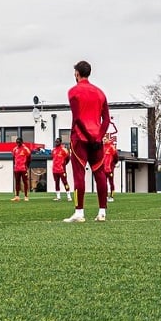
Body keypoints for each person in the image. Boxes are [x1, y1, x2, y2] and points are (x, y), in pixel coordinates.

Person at [64, 60, 111, 223]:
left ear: (77, 73)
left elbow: (77, 118)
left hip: (80, 138)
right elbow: (106, 119)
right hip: (97, 139)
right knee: (100, 174)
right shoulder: (100, 93)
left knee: (79, 175)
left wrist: (89, 136)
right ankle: (102, 212)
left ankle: (79, 212)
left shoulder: (73, 92)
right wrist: (98, 136)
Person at [11, 137, 33, 201]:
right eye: (17, 142)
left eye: (19, 142)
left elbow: (29, 159)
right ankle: (17, 196)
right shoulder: (14, 149)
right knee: (17, 182)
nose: (17, 143)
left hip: (23, 169)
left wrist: (27, 166)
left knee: (25, 182)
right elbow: (13, 158)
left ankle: (26, 196)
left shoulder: (26, 149)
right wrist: (15, 165)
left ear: (22, 142)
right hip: (16, 169)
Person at [103, 134, 118, 202]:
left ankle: (111, 196)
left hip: (110, 169)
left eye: (105, 139)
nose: (104, 140)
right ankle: (105, 196)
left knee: (111, 182)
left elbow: (116, 158)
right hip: (103, 169)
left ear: (108, 139)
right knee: (104, 183)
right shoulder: (102, 147)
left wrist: (112, 165)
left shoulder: (112, 147)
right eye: (103, 139)